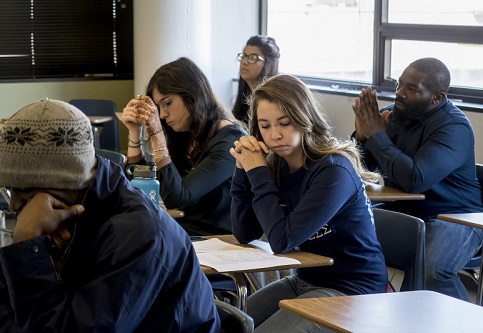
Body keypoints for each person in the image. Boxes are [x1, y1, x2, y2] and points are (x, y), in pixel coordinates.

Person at [0, 99, 220, 332]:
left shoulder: (138, 233)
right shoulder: (71, 215)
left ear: (65, 183)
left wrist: (27, 247)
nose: (13, 205)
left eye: (24, 190)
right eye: (9, 190)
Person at [230, 74, 388, 332]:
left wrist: (257, 172)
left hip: (352, 291)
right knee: (227, 325)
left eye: (285, 123)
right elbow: (244, 232)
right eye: (265, 126)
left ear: (305, 119)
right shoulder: (277, 164)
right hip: (304, 280)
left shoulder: (334, 171)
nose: (275, 135)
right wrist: (242, 170)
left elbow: (281, 241)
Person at [352, 57, 483, 301]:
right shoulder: (392, 115)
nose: (400, 93)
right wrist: (362, 138)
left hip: (455, 217)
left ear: (437, 98)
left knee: (431, 269)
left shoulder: (454, 127)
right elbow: (364, 169)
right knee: (343, 237)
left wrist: (376, 136)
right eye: (399, 84)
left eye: (412, 90)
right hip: (407, 212)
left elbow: (415, 179)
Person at [122, 57, 247, 236]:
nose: (163, 114)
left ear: (192, 95)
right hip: (184, 231)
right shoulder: (185, 133)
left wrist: (157, 136)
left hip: (218, 240)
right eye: (158, 107)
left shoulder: (231, 141)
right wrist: (135, 133)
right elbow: (138, 189)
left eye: (167, 103)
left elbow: (178, 198)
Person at [232, 35, 280, 124]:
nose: (244, 62)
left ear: (268, 64)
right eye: (244, 56)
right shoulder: (245, 94)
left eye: (253, 58)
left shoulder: (275, 100)